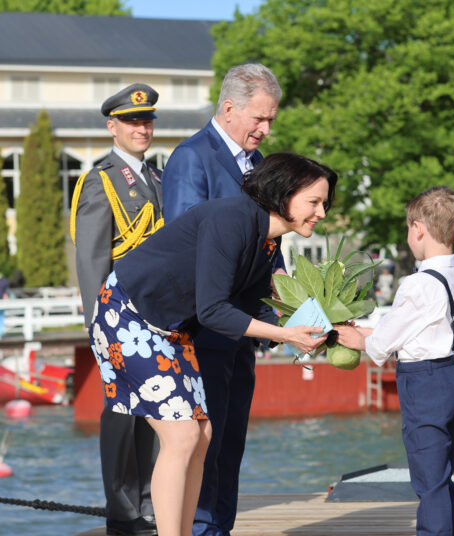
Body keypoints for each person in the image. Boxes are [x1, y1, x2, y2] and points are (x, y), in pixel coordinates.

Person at [88, 153, 335, 536]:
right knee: (183, 434)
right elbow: (213, 311)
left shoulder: (267, 240)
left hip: (169, 328)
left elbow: (254, 309)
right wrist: (288, 335)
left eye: (324, 203)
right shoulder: (232, 220)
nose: (321, 212)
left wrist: (314, 330)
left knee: (202, 435)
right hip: (126, 315)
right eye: (314, 202)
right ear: (284, 193)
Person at [160, 63, 285, 535]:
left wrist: (286, 309)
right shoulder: (192, 157)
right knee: (203, 447)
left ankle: (220, 530)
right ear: (229, 108)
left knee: (231, 443)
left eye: (271, 119)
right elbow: (190, 246)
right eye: (259, 118)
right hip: (205, 329)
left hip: (244, 330)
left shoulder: (259, 165)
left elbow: (269, 247)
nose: (265, 128)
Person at [337, 186, 454, 536]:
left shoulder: (417, 285)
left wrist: (351, 336)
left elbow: (383, 343)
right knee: (442, 478)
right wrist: (372, 335)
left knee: (429, 481)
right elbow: (412, 331)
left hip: (424, 383)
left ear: (417, 230)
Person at [70, 83, 163, 536]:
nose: (141, 128)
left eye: (146, 121)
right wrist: (98, 323)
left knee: (152, 410)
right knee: (123, 413)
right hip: (118, 316)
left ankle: (147, 502)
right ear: (112, 127)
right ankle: (123, 511)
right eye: (131, 121)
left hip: (157, 315)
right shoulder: (100, 180)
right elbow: (91, 259)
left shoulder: (156, 178)